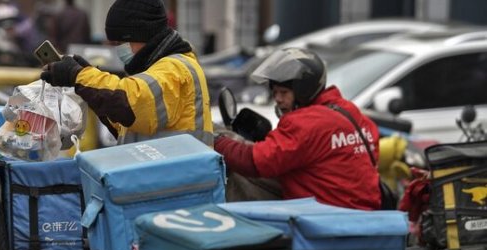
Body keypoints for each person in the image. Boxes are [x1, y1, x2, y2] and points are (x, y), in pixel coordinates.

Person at [214, 47, 381, 210]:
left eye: (284, 92)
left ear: (304, 92)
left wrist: (216, 141)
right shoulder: (351, 113)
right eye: (275, 92)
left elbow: (252, 162)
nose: (278, 99)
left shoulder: (305, 122)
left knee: (238, 174)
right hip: (363, 211)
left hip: (325, 219)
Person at [40, 0, 213, 146]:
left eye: (121, 42)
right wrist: (89, 87)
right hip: (165, 178)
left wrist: (79, 76)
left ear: (144, 35)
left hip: (180, 183)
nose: (119, 49)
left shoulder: (175, 69)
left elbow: (133, 102)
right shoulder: (157, 68)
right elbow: (127, 122)